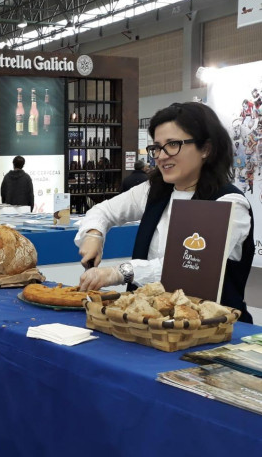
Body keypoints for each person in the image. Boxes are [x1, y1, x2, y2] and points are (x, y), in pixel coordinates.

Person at [76, 102, 254, 323]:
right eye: (157, 147)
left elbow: (186, 267)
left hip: (211, 330)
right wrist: (94, 234)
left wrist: (118, 273)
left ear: (206, 149)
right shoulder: (154, 190)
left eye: (173, 145)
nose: (161, 156)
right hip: (148, 324)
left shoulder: (229, 203)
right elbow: (103, 211)